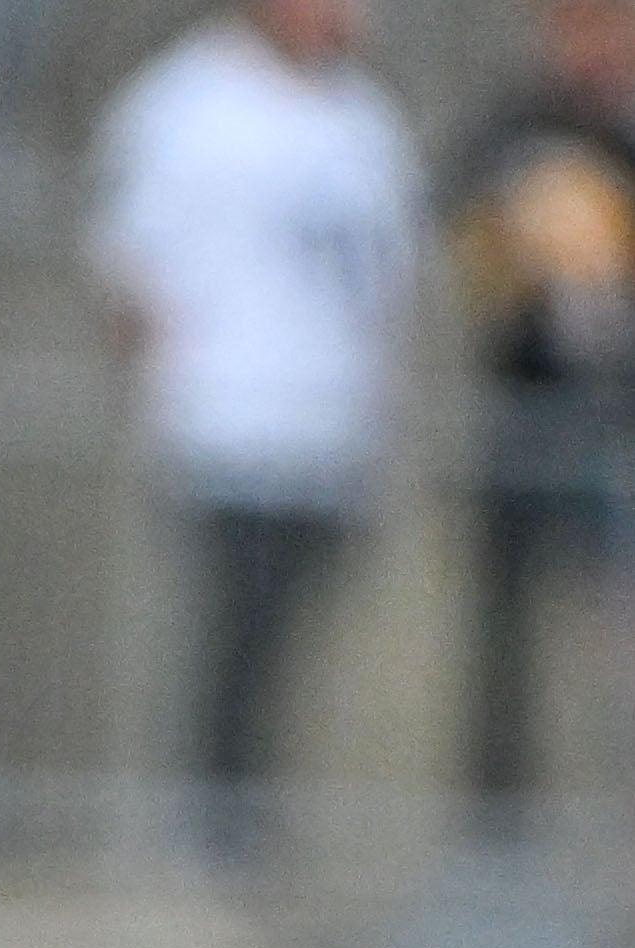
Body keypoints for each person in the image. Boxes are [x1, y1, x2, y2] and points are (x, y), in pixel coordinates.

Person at [93, 0, 425, 859]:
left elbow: (385, 282)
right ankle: (210, 834)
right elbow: (132, 266)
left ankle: (263, 830)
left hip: (330, 428)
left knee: (293, 644)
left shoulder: (364, 117)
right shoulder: (184, 101)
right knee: (228, 635)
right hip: (226, 422)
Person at [451, 0, 635, 830]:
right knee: (510, 629)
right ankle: (501, 819)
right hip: (529, 413)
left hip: (615, 422)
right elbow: (460, 221)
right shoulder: (512, 127)